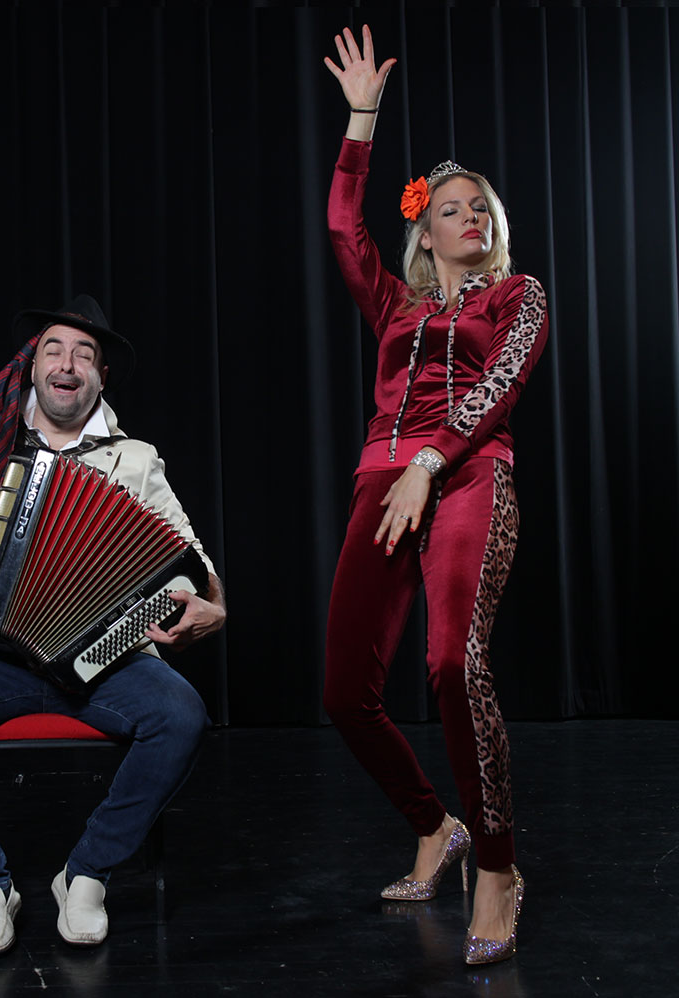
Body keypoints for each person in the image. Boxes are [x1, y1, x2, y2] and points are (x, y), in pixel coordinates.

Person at [0, 295, 226, 956]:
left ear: (100, 376)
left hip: (104, 661)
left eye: (84, 354)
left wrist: (214, 603)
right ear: (33, 365)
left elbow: (196, 563)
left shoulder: (136, 459)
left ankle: (86, 873)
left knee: (181, 714)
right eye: (54, 350)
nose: (67, 365)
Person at [321, 27, 548, 965]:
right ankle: (433, 824)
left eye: (480, 207)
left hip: (467, 475)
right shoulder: (396, 304)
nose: (470, 218)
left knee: (454, 661)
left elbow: (501, 386)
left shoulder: (518, 296)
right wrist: (362, 119)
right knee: (344, 692)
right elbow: (344, 226)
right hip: (383, 481)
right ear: (425, 232)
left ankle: (496, 865)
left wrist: (430, 460)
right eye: (450, 209)